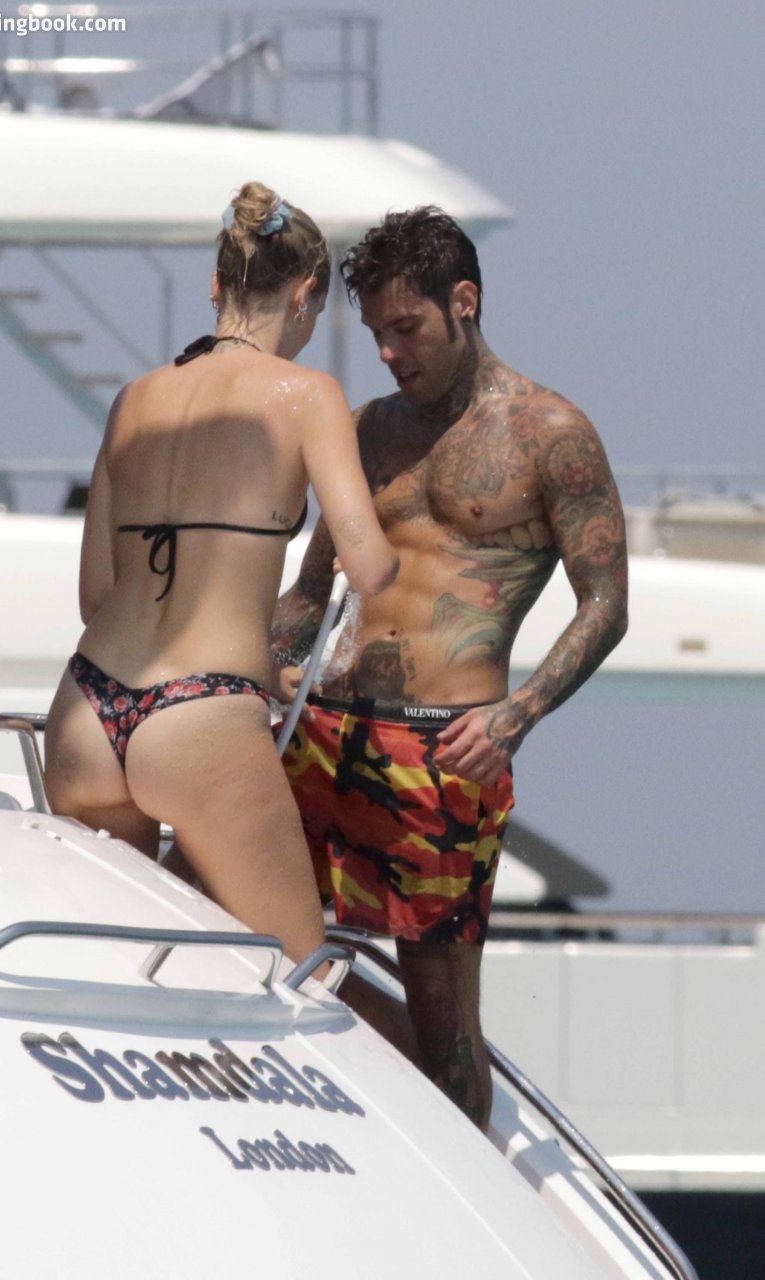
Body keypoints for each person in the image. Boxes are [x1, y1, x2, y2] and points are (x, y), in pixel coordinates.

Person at [271, 206, 628, 1127]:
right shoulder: (363, 430)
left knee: (444, 1025)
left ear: (462, 301)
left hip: (442, 752)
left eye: (406, 328)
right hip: (319, 736)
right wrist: (251, 674)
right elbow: (311, 592)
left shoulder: (550, 433)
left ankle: (470, 1168)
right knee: (250, 942)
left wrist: (519, 713)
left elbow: (604, 604)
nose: (389, 353)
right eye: (375, 333)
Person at [44, 182, 398, 966]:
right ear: (304, 294)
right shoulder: (307, 396)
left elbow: (97, 597)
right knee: (294, 972)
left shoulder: (134, 400)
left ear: (216, 286)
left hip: (86, 708)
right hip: (198, 716)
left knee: (114, 968)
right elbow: (369, 567)